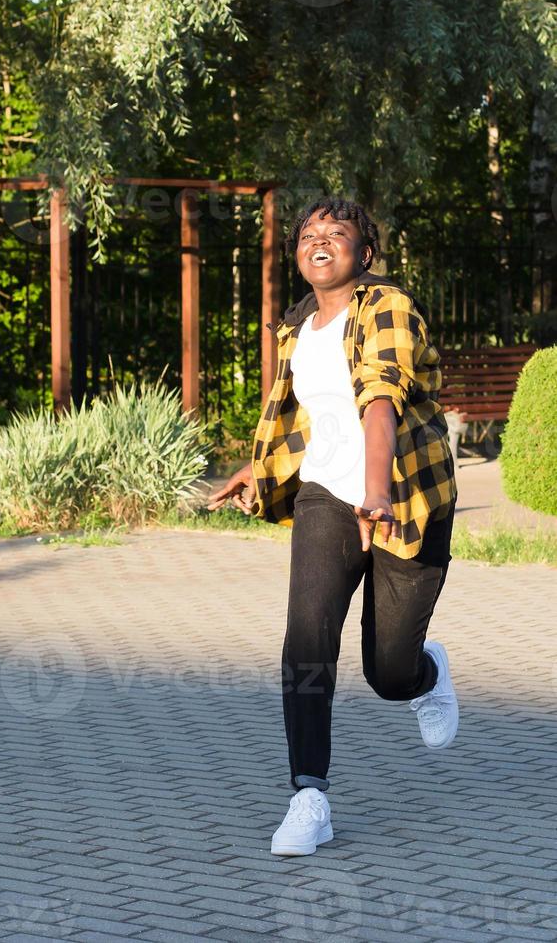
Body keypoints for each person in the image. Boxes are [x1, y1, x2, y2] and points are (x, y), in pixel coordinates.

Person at [207, 195, 459, 857]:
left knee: (387, 671)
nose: (317, 240)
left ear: (364, 253)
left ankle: (424, 675)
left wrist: (375, 491)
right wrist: (254, 469)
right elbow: (304, 417)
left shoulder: (388, 308)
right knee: (305, 639)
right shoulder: (296, 329)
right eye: (306, 234)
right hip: (324, 499)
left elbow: (379, 400)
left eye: (335, 232)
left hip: (405, 500)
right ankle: (308, 796)